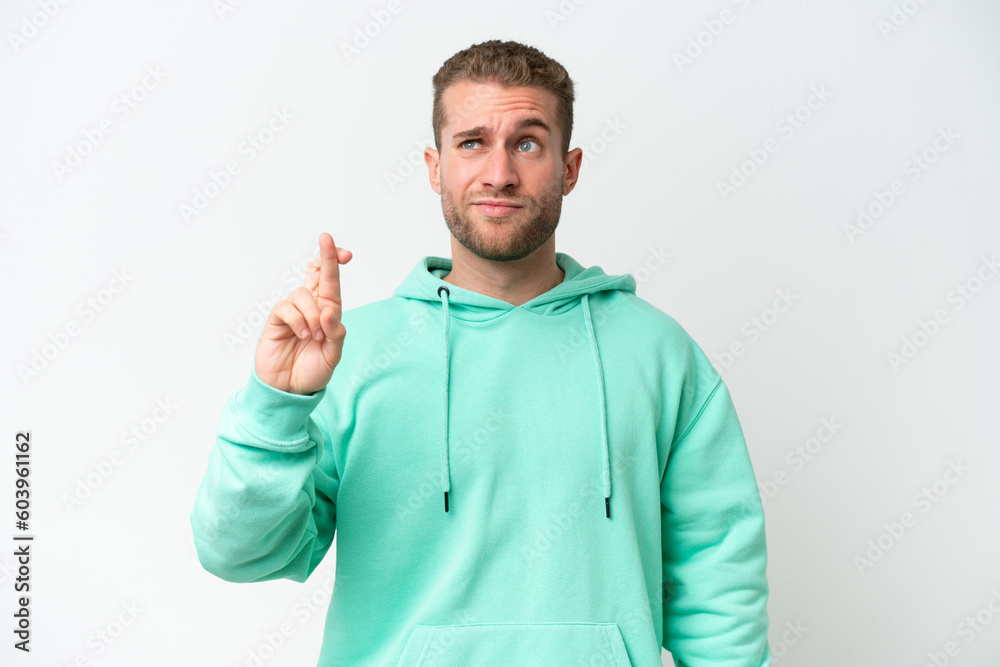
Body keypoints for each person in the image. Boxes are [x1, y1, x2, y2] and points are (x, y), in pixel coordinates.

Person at [190, 39, 772, 667]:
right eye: (472, 143)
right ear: (435, 166)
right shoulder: (349, 355)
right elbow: (240, 553)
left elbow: (721, 579)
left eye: (527, 142)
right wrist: (276, 403)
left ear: (569, 168)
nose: (499, 173)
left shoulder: (660, 355)